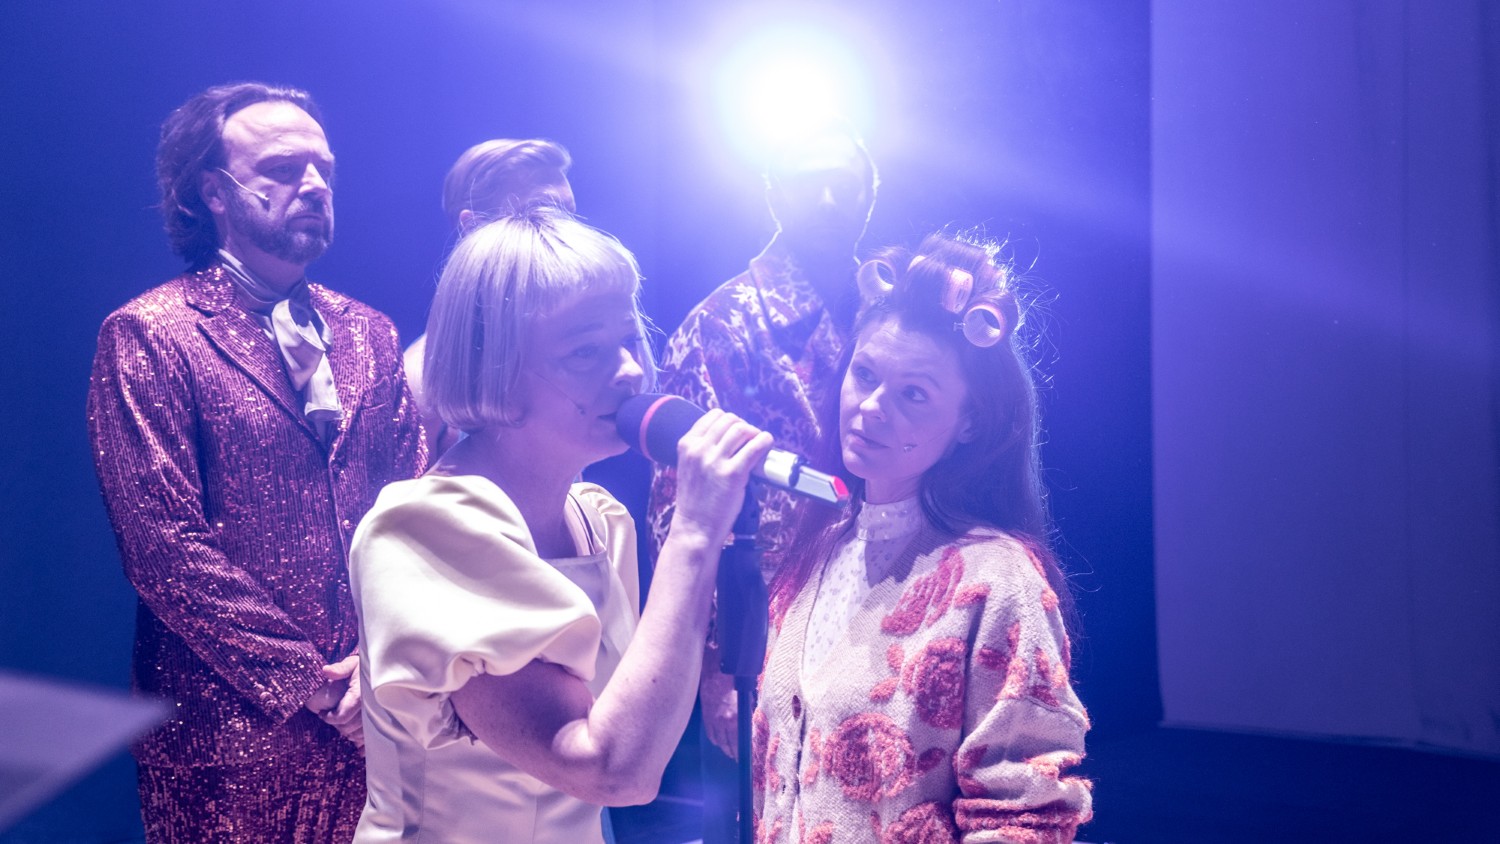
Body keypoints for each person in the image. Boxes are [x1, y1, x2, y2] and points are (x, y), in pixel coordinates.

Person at [348, 208, 774, 844]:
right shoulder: (423, 529)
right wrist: (692, 532)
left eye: (630, 339)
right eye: (586, 352)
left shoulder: (600, 521)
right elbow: (612, 770)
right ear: (494, 370)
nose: (630, 370)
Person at [86, 82, 425, 842]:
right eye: (282, 169)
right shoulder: (150, 334)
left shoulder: (369, 333)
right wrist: (308, 683)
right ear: (213, 192)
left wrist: (380, 666)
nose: (314, 185)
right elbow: (163, 547)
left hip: (373, 722)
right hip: (225, 749)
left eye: (323, 169)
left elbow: (416, 511)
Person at [752, 234, 1092, 843]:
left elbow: (1025, 816)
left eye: (914, 393)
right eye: (864, 374)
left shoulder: (996, 580)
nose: (872, 407)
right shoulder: (818, 549)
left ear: (970, 422)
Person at [646, 124, 878, 838]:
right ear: (775, 194)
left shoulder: (889, 313)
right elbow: (678, 509)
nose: (829, 199)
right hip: (762, 642)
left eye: (845, 184)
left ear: (872, 195)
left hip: (878, 617)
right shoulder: (722, 324)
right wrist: (717, 664)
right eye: (810, 183)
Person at [404, 138, 577, 461]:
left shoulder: (560, 352)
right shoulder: (424, 381)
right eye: (541, 214)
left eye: (568, 216)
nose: (567, 234)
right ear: (473, 227)